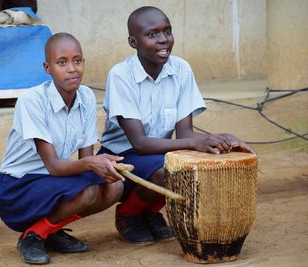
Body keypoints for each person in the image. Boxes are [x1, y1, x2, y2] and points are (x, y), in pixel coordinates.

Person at [99, 6, 253, 246]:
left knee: (192, 162)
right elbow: (139, 143)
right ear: (133, 42)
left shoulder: (181, 69)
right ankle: (129, 213)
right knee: (167, 169)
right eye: (152, 34)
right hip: (121, 156)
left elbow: (185, 134)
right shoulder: (120, 75)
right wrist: (195, 142)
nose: (163, 40)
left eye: (167, 31)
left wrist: (221, 140)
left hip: (160, 152)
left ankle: (149, 212)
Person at [0, 32, 125, 265]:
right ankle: (32, 236)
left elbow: (86, 161)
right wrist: (93, 163)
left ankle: (50, 230)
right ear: (47, 67)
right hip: (16, 187)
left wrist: (101, 164)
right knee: (88, 192)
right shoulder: (32, 100)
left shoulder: (86, 97)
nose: (72, 68)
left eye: (77, 60)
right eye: (62, 62)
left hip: (52, 182)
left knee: (114, 186)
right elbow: (54, 166)